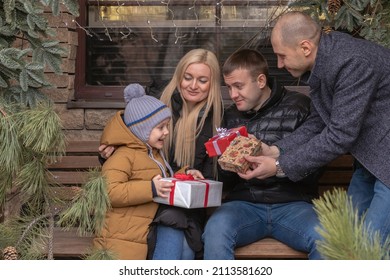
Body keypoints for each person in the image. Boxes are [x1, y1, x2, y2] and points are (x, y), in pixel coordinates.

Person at [239, 11, 390, 244]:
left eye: (282, 56)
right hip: (372, 161)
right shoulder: (328, 60)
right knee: (345, 240)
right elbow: (319, 122)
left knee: (370, 247)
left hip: (385, 161)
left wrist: (279, 166)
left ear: (305, 47)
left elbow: (340, 135)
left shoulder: (351, 63)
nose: (279, 64)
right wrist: (275, 150)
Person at [99, 49, 223, 259]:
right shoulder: (155, 107)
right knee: (176, 234)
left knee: (184, 239)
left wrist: (189, 173)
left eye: (202, 80)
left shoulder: (216, 120)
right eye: (188, 78)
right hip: (148, 206)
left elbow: (165, 171)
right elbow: (130, 153)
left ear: (212, 84)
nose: (193, 86)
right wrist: (107, 153)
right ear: (179, 76)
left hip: (183, 206)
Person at [202, 48, 324, 259]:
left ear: (260, 81)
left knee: (327, 239)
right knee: (215, 230)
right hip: (243, 205)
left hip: (294, 204)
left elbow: (315, 166)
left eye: (238, 86)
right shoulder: (230, 116)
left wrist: (277, 168)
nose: (232, 95)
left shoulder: (300, 107)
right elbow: (226, 184)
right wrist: (227, 166)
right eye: (229, 87)